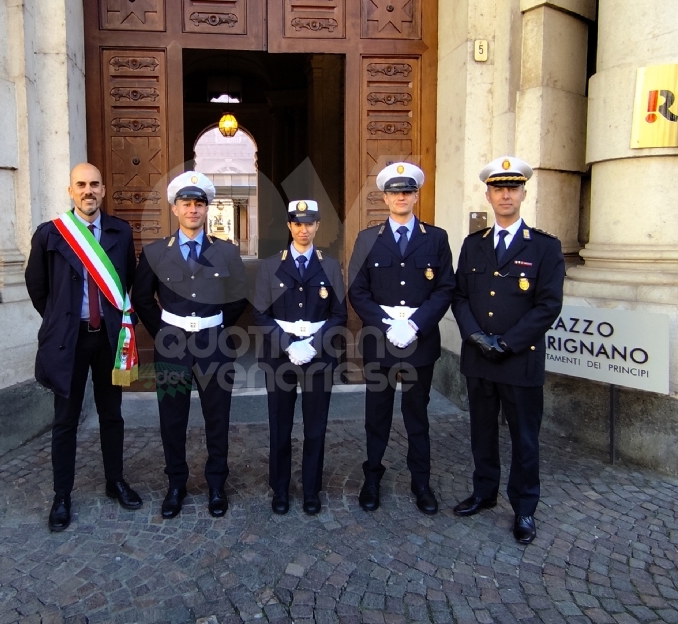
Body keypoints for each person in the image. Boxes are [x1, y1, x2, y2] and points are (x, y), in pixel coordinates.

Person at [451, 156, 565, 544]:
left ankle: (524, 508)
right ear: (488, 194)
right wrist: (476, 337)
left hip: (520, 360)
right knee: (481, 432)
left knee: (525, 438)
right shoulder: (473, 244)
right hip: (479, 358)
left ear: (523, 194)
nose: (505, 195)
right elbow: (460, 296)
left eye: (512, 188)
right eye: (498, 189)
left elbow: (548, 304)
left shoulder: (545, 248)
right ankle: (484, 492)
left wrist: (508, 342)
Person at [25, 163, 144, 532]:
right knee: (65, 419)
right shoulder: (50, 234)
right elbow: (37, 287)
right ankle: (62, 494)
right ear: (70, 190)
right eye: (81, 184)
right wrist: (61, 320)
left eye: (94, 184)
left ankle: (115, 480)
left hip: (108, 339)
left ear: (104, 190)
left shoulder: (120, 232)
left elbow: (129, 282)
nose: (88, 190)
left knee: (112, 415)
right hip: (70, 341)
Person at [133, 171, 249, 519]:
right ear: (175, 208)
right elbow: (142, 298)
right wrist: (166, 331)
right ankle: (176, 484)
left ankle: (216, 483)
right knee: (172, 419)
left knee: (217, 417)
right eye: (187, 203)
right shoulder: (155, 252)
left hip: (214, 344)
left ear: (207, 209)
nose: (193, 210)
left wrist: (215, 324)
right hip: (173, 345)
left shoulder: (225, 252)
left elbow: (239, 295)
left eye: (199, 204)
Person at [348, 162, 455, 514]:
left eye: (407, 192)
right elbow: (358, 290)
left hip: (419, 344)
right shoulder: (367, 239)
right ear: (385, 197)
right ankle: (372, 478)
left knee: (416, 416)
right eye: (395, 192)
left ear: (415, 195)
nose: (401, 197)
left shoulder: (435, 238)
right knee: (376, 415)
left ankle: (420, 481)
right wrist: (385, 322)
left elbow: (445, 288)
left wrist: (416, 324)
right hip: (380, 344)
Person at [252, 200, 348, 515]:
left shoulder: (331, 265)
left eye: (309, 223)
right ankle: (279, 489)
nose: (303, 229)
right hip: (281, 358)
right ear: (289, 226)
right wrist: (288, 344)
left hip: (317, 357)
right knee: (280, 425)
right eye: (297, 223)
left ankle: (311, 489)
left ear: (318, 226)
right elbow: (260, 314)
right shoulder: (270, 265)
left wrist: (313, 344)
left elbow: (338, 314)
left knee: (315, 427)